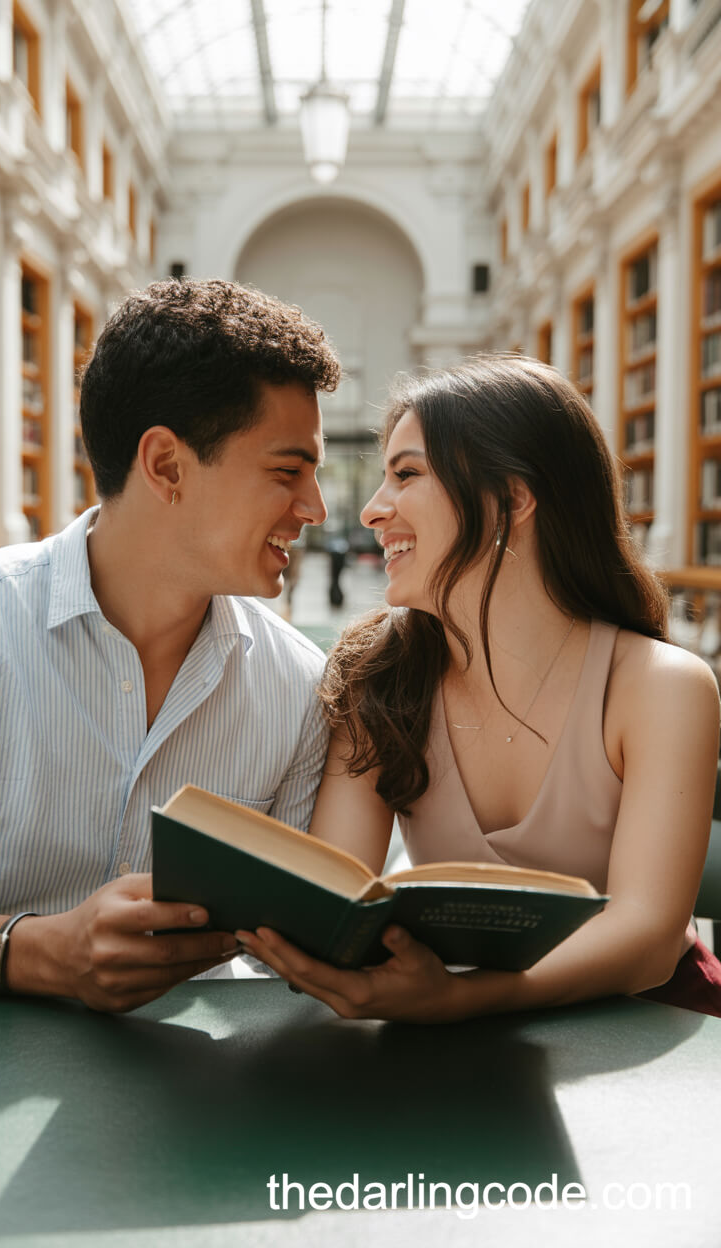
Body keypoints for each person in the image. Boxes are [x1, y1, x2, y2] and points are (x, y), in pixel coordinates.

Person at [0, 278, 340, 1013]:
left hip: (198, 1099)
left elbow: (281, 965)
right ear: (165, 465)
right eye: (288, 472)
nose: (315, 508)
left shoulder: (299, 688)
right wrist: (35, 952)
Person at [238, 354, 721, 1021]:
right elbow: (333, 907)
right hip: (459, 1038)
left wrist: (464, 999)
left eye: (406, 474)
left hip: (654, 1033)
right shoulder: (377, 678)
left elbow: (648, 939)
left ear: (514, 499)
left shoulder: (662, 688)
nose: (375, 511)